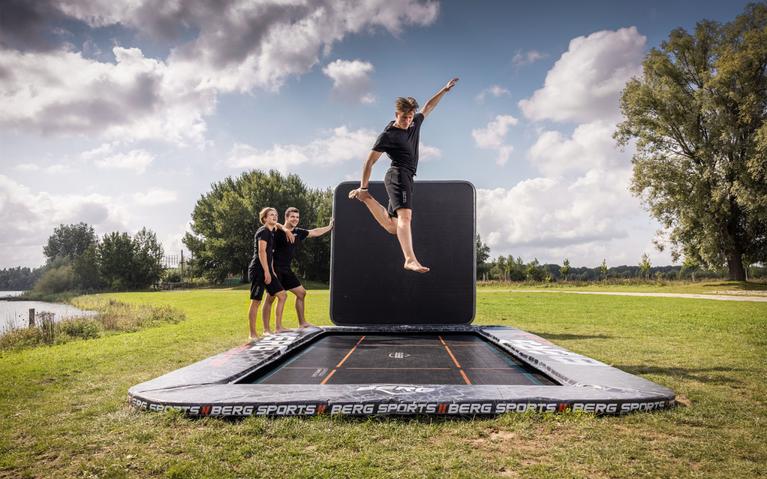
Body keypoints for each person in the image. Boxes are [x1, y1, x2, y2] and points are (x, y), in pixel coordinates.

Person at [348, 78, 459, 273]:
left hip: (407, 177)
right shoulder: (388, 135)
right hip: (397, 175)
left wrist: (444, 90)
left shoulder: (414, 122)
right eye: (404, 117)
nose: (408, 121)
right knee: (405, 218)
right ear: (396, 114)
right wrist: (363, 185)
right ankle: (409, 259)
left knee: (394, 226)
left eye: (410, 117)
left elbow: (428, 106)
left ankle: (366, 199)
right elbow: (369, 161)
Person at [262, 207, 334, 329]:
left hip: (286, 269)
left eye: (297, 217)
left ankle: (302, 323)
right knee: (271, 298)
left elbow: (314, 232)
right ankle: (267, 329)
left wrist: (329, 227)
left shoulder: (299, 232)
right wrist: (285, 229)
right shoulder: (276, 230)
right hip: (274, 268)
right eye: (292, 217)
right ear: (286, 218)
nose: (295, 219)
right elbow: (275, 223)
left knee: (301, 293)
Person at [247, 207, 290, 339]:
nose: (274, 216)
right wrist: (266, 271)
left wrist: (272, 272)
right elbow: (261, 252)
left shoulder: (272, 231)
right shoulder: (263, 231)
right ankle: (252, 334)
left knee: (282, 295)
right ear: (264, 218)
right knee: (256, 301)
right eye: (271, 215)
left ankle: (278, 327)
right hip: (258, 270)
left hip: (268, 270)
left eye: (276, 215)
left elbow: (269, 255)